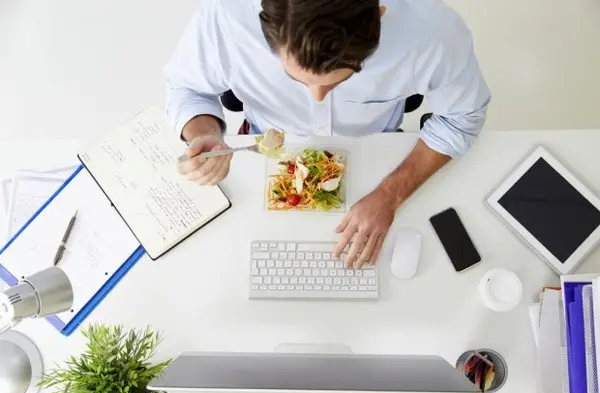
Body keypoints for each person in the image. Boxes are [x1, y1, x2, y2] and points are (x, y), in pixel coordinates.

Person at [166, 0, 491, 269]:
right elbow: (186, 87)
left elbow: (462, 118)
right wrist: (203, 130)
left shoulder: (432, 30)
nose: (317, 97)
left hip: (377, 157)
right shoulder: (225, 17)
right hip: (263, 151)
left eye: (339, 81)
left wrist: (390, 195)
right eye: (297, 79)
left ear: (379, 15)